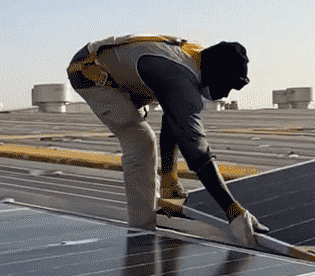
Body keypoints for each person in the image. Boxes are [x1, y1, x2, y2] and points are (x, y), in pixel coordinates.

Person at [68, 34, 265, 245]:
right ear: (217, 72)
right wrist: (232, 211)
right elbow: (197, 154)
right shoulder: (179, 78)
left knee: (163, 126)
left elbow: (173, 117)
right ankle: (141, 230)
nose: (225, 95)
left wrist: (169, 177)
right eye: (228, 85)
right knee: (140, 142)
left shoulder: (196, 59)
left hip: (109, 65)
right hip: (90, 73)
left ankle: (166, 186)